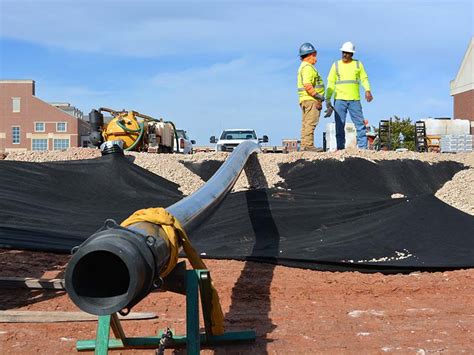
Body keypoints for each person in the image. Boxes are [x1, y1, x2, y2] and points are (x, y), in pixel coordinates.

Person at [325, 41, 373, 150]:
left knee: (360, 125)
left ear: (352, 54)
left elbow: (364, 79)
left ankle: (363, 149)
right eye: (343, 52)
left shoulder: (358, 64)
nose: (344, 55)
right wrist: (327, 98)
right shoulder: (336, 65)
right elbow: (330, 83)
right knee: (339, 126)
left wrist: (367, 90)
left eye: (347, 53)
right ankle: (340, 148)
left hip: (354, 100)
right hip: (339, 100)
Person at [297, 42, 325, 151]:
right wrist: (318, 96)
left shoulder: (303, 67)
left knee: (305, 123)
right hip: (311, 100)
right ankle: (308, 146)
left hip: (305, 100)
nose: (316, 58)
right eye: (315, 55)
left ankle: (304, 145)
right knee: (311, 123)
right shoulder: (308, 67)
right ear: (311, 55)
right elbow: (307, 84)